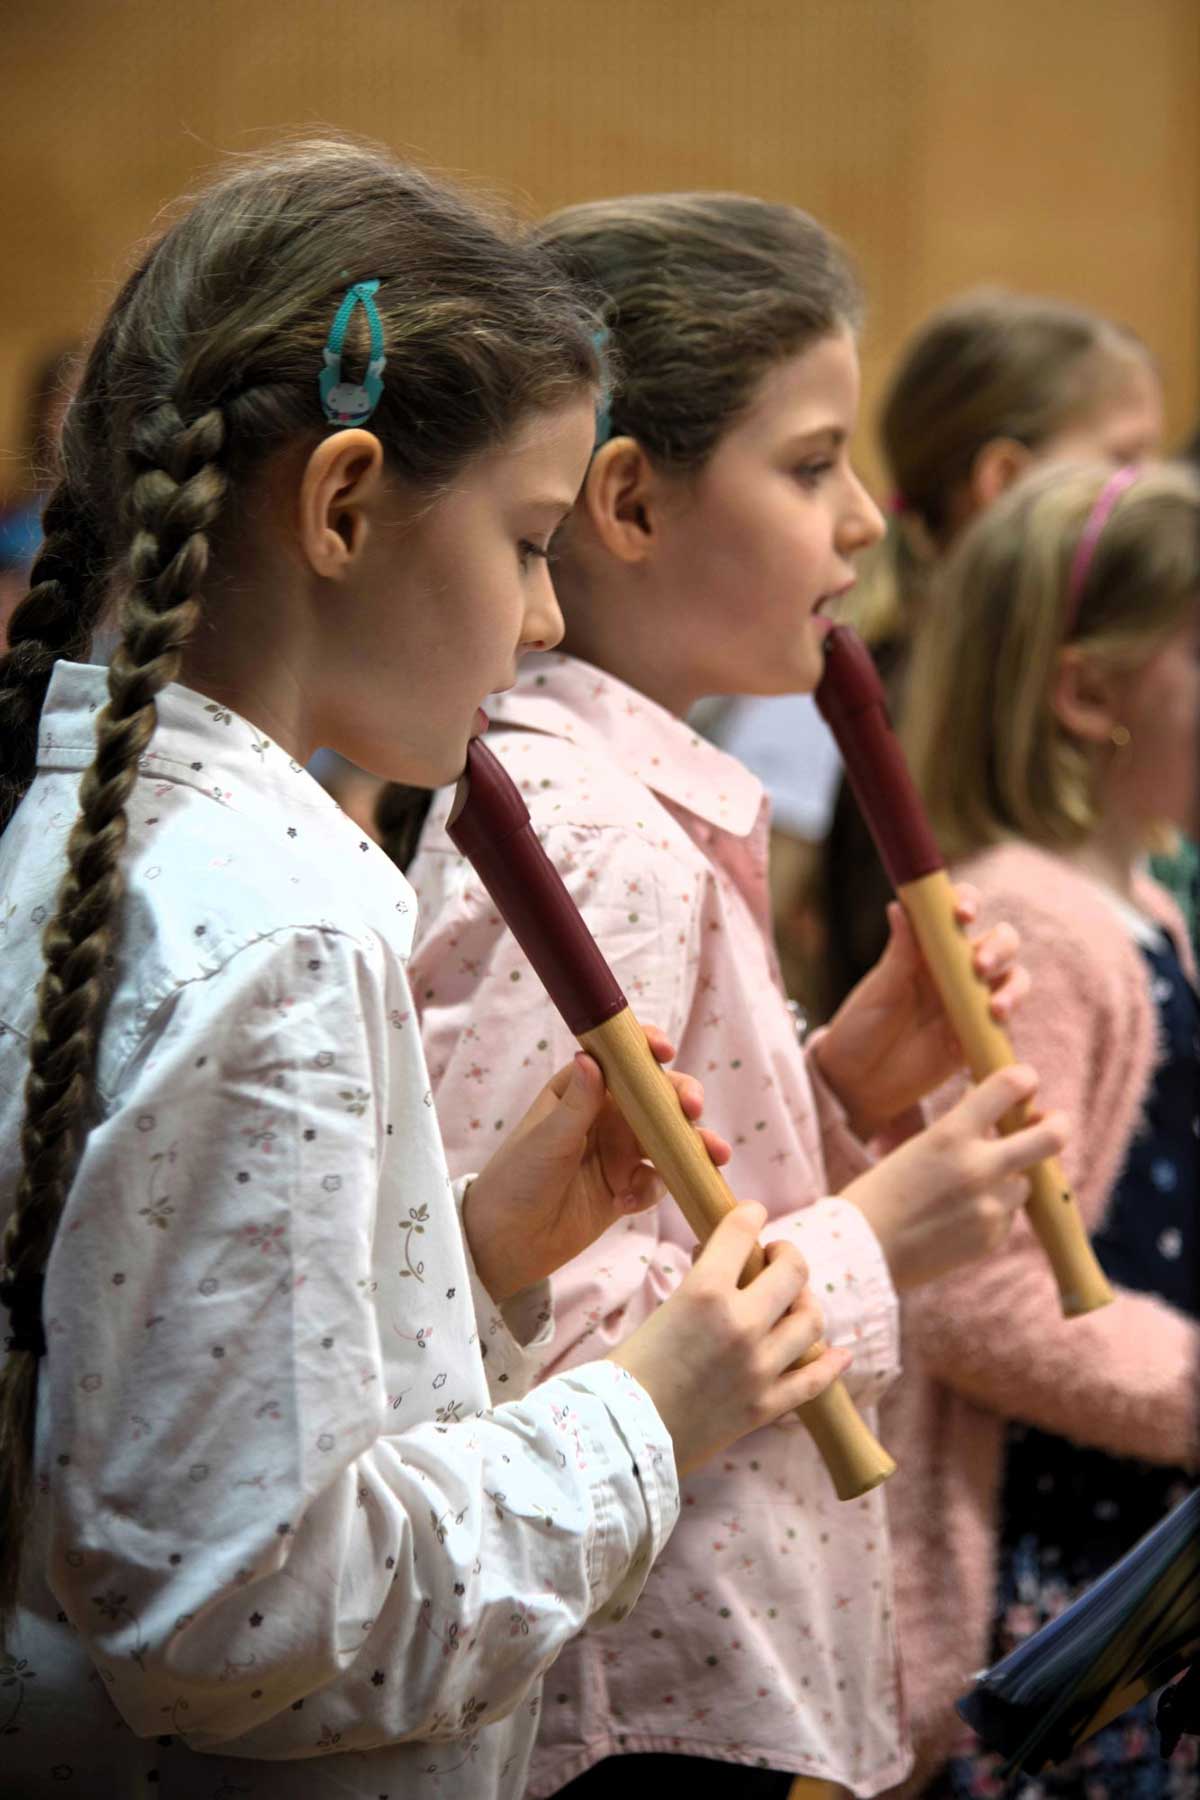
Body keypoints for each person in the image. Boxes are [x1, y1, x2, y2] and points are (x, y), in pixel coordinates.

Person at [0, 143, 849, 1800]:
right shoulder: (283, 928)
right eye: (529, 541)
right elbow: (239, 1616)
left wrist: (468, 1256)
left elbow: (145, 1397)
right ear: (342, 506)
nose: (545, 620)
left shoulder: (95, 827)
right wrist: (648, 1411)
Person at [398, 194, 1067, 1798]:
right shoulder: (588, 833)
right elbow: (503, 1332)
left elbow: (652, 1200)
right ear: (628, 499)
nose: (867, 522)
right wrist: (876, 1237)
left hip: (694, 1667)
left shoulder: (638, 811)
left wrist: (836, 1092)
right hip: (631, 1705)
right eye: (812, 464)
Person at [888, 458, 1200, 1796]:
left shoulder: (1142, 903)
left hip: (1142, 1521)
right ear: (1087, 696)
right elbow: (982, 1296)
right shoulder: (1037, 926)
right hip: (1060, 1570)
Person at [791, 290, 1162, 1017]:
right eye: (1124, 459)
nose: (1154, 491)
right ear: (1005, 481)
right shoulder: (923, 700)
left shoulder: (1028, 682)